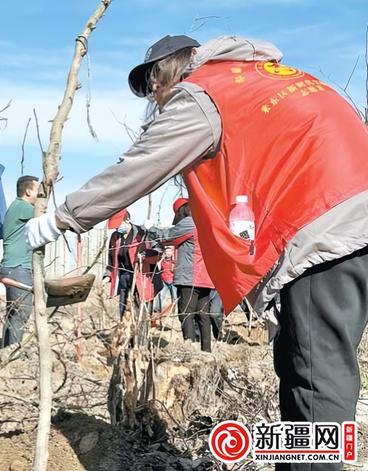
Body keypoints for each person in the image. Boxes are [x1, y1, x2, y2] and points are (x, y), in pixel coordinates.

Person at [27, 34, 368, 470]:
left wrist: (61, 219)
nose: (154, 93)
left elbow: (141, 166)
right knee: (300, 362)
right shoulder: (259, 77)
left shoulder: (204, 93)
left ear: (173, 69)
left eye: (153, 80)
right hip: (345, 219)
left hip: (328, 223)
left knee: (316, 374)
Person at [150, 198, 214, 352]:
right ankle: (207, 351)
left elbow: (167, 235)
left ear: (182, 210)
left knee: (186, 314)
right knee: (203, 316)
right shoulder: (206, 221)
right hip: (206, 277)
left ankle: (190, 350)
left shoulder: (190, 222)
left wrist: (150, 230)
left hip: (189, 277)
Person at [0, 175, 40, 346]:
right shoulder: (22, 207)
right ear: (28, 190)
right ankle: (13, 354)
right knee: (21, 313)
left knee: (14, 314)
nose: (41, 194)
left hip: (13, 267)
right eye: (39, 190)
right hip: (18, 268)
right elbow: (47, 220)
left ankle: (6, 352)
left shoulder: (17, 207)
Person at [104, 211, 158, 319]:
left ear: (127, 220)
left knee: (140, 305)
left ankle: (141, 331)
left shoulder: (142, 233)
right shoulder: (115, 237)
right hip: (123, 275)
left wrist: (143, 256)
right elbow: (111, 258)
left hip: (141, 275)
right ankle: (125, 329)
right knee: (124, 306)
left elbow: (156, 252)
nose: (117, 229)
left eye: (118, 225)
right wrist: (107, 276)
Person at [154, 245, 176, 313]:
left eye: (169, 252)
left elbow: (173, 270)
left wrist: (173, 259)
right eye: (167, 252)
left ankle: (174, 311)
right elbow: (158, 268)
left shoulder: (174, 261)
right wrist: (161, 259)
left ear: (172, 253)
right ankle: (158, 309)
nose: (168, 253)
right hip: (164, 281)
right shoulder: (163, 261)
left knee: (174, 297)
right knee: (161, 296)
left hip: (172, 281)